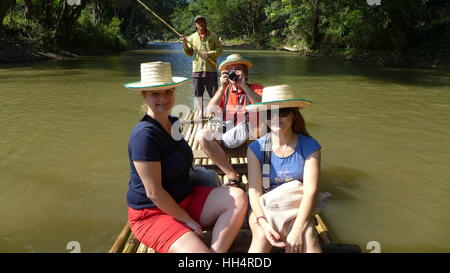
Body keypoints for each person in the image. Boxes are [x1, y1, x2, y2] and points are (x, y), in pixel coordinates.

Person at [123, 61, 247, 253]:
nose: (163, 98)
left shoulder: (173, 123)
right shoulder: (144, 136)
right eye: (155, 93)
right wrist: (186, 219)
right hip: (153, 213)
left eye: (168, 91)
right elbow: (154, 193)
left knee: (238, 197)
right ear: (144, 95)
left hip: (186, 198)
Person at [245, 85, 323, 253]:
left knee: (308, 237)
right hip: (264, 207)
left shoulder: (309, 146)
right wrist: (264, 223)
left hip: (296, 206)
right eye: (270, 113)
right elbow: (255, 192)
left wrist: (297, 230)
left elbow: (310, 191)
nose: (275, 118)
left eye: (283, 112)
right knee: (261, 237)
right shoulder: (256, 149)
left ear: (293, 115)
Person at [197, 54, 263, 188]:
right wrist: (222, 87)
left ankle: (257, 173)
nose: (233, 73)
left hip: (252, 140)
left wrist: (244, 86)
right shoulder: (224, 91)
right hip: (227, 134)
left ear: (245, 73)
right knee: (202, 135)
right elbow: (210, 109)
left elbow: (263, 104)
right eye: (230, 70)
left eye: (237, 69)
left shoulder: (255, 87)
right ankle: (232, 175)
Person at [180, 15, 223, 116]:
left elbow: (219, 49)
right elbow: (189, 53)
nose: (200, 23)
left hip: (210, 70)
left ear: (205, 23)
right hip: (197, 71)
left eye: (202, 21)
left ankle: (215, 113)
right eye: (198, 22)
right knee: (198, 95)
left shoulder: (213, 35)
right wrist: (185, 43)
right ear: (195, 25)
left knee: (214, 94)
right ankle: (200, 114)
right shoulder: (191, 37)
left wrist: (210, 54)